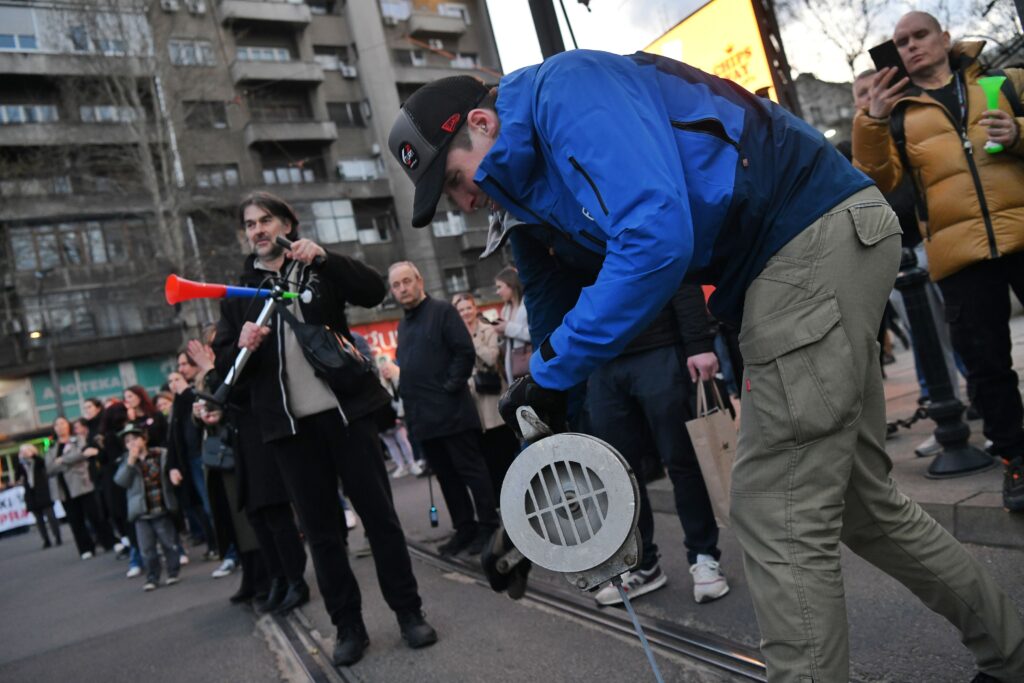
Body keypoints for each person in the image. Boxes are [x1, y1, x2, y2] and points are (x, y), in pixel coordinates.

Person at [389, 52, 1024, 682]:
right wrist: (538, 516)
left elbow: (656, 236)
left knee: (774, 507)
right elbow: (557, 342)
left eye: (451, 181)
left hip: (804, 230)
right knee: (862, 505)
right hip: (788, 254)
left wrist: (552, 371)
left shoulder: (568, 92)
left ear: (482, 122)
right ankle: (1010, 651)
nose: (460, 203)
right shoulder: (520, 197)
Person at [214, 191, 436, 666]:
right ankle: (348, 627)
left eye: (265, 220)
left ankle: (409, 612)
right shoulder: (239, 295)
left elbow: (373, 290)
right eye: (249, 224)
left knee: (380, 521)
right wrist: (242, 346)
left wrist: (328, 258)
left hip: (347, 417)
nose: (257, 230)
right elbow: (224, 375)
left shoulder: (315, 267)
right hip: (289, 433)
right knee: (321, 534)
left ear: (286, 223)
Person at [852, 12, 1024, 512]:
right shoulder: (900, 113)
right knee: (987, 364)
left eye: (920, 35)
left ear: (945, 39)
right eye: (901, 42)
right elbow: (877, 181)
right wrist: (872, 121)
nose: (911, 46)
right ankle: (1015, 458)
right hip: (959, 252)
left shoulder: (1002, 82)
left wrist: (1017, 134)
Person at [389, 261, 500, 557]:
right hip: (424, 418)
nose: (402, 288)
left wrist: (449, 388)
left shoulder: (442, 311)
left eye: (406, 281)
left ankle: (490, 526)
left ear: (419, 280)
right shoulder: (403, 324)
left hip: (452, 412)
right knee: (447, 477)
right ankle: (465, 528)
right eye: (396, 285)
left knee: (471, 471)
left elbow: (464, 352)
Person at [451, 292, 519, 498]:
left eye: (468, 308)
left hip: (491, 396)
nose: (465, 313)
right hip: (470, 401)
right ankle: (498, 500)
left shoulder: (487, 329)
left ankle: (515, 494)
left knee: (503, 450)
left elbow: (490, 358)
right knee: (485, 456)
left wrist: (472, 339)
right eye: (460, 310)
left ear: (475, 308)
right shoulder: (452, 333)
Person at [114, 424, 181, 591]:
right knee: (147, 548)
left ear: (144, 439)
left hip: (160, 507)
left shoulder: (160, 454)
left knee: (168, 542)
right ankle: (152, 577)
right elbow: (121, 482)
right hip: (141, 512)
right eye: (128, 441)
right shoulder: (125, 460)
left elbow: (170, 468)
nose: (132, 443)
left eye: (135, 438)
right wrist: (131, 461)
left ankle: (173, 572)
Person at [167, 369, 218, 562]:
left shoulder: (191, 397)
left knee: (210, 504)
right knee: (200, 507)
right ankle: (216, 546)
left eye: (177, 379)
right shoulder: (175, 406)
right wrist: (173, 466)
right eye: (170, 381)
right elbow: (172, 439)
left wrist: (186, 392)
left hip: (201, 456)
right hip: (187, 462)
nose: (173, 383)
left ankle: (227, 550)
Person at [45, 416, 113, 559]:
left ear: (68, 426)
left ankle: (109, 541)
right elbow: (50, 468)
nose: (60, 427)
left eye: (62, 423)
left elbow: (82, 454)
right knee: (75, 521)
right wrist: (68, 461)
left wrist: (62, 460)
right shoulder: (51, 447)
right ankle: (85, 548)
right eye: (56, 425)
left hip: (83, 484)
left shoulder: (78, 439)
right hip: (65, 490)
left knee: (95, 515)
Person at [377, 358, 423, 478]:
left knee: (404, 440)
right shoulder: (383, 385)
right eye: (383, 371)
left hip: (400, 417)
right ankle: (402, 466)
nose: (385, 372)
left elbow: (403, 399)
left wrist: (399, 415)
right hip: (388, 419)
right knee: (393, 444)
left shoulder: (399, 381)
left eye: (386, 369)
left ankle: (413, 463)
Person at [15, 443, 62, 549]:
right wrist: (20, 461)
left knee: (51, 517)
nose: (24, 453)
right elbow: (17, 476)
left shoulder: (37, 460)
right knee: (39, 520)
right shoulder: (21, 464)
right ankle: (46, 539)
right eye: (22, 451)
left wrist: (33, 455)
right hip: (31, 494)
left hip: (43, 492)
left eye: (26, 451)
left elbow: (43, 463)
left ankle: (57, 536)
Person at [493, 268, 530, 385]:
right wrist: (501, 333)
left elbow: (534, 333)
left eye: (499, 287)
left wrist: (507, 328)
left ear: (511, 284)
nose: (497, 292)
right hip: (513, 363)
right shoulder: (506, 309)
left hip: (530, 360)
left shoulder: (528, 305)